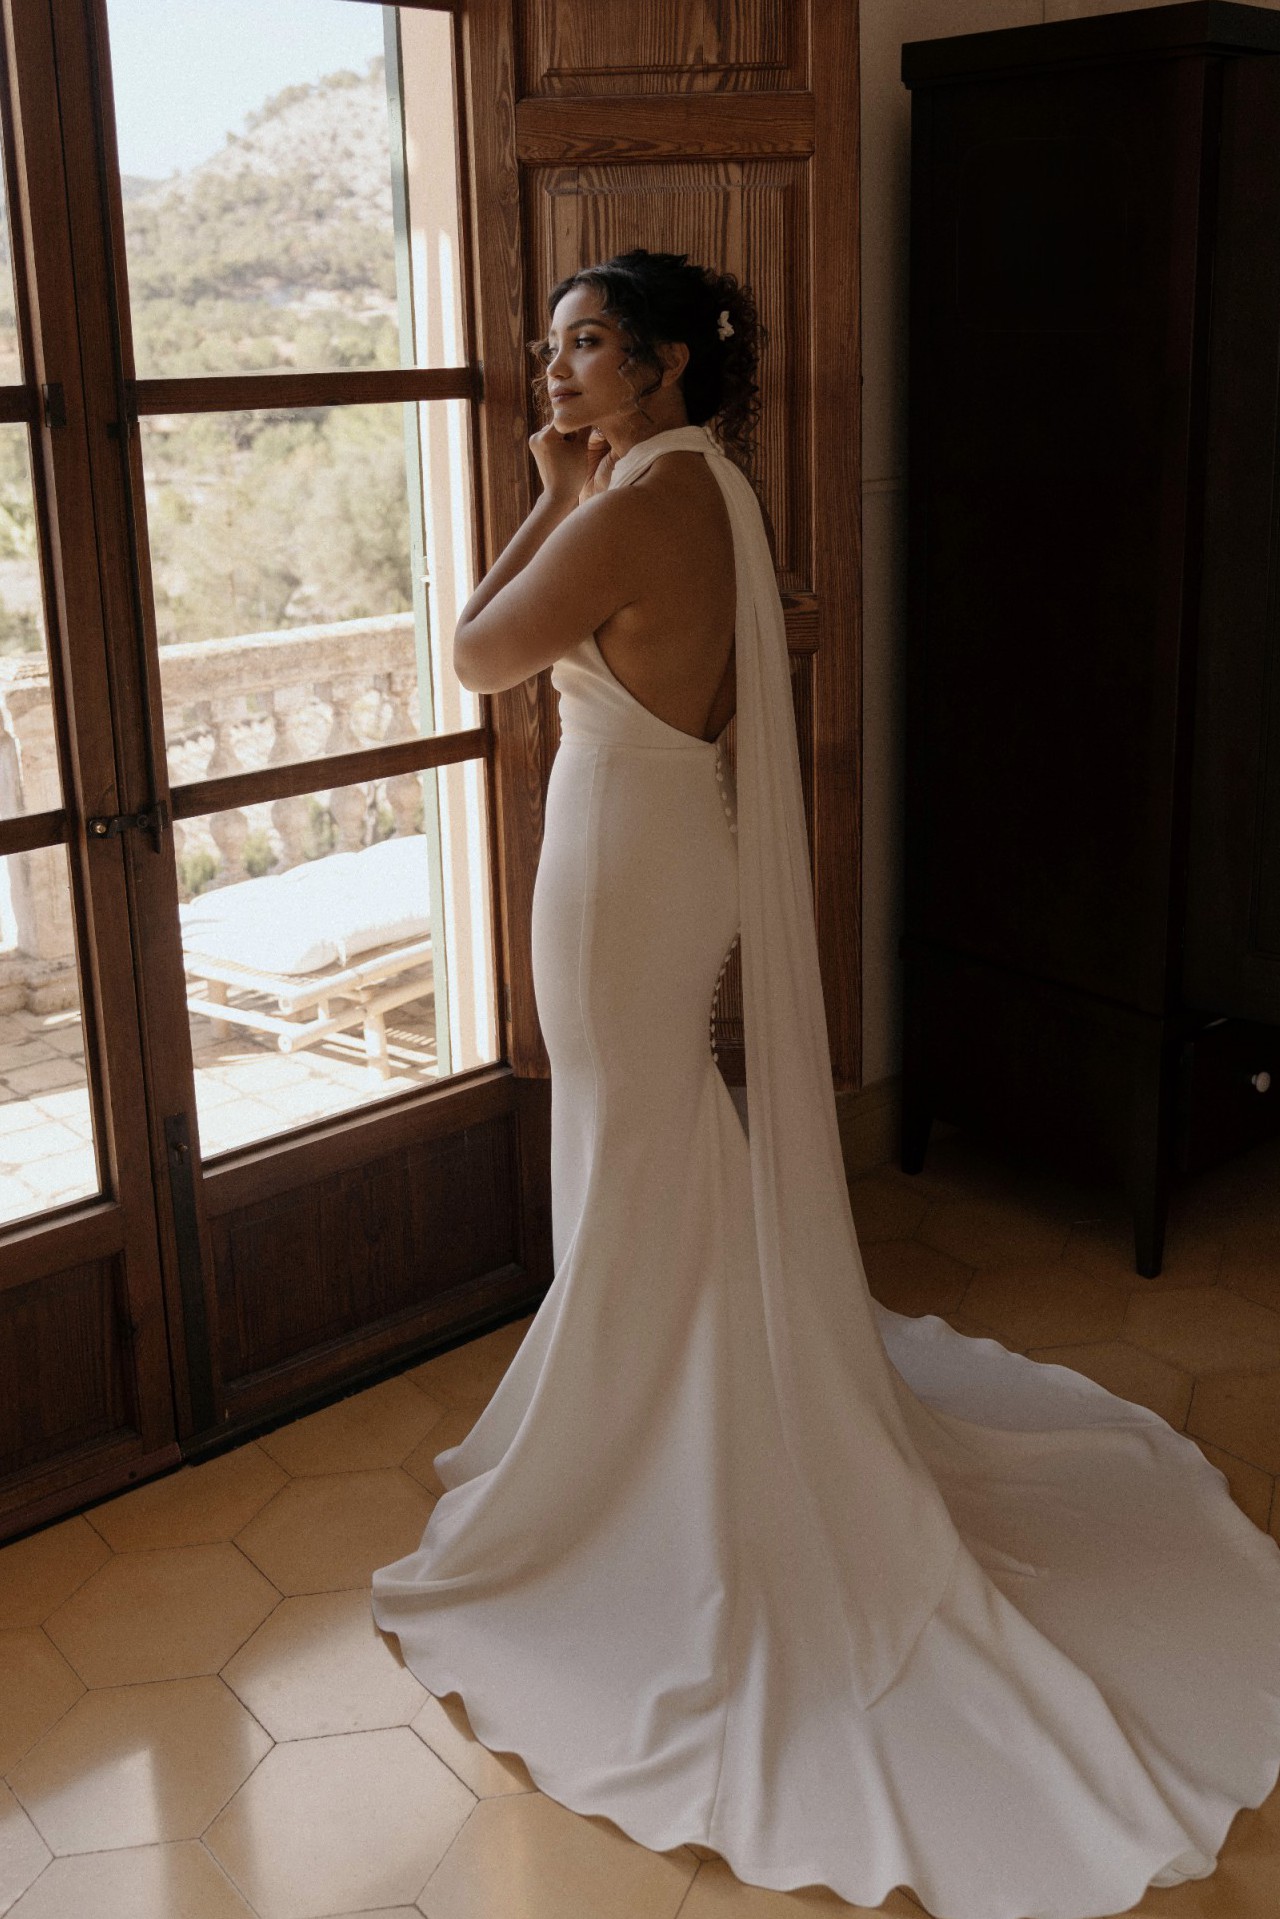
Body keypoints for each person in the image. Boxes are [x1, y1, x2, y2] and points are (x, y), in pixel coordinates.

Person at [372, 248, 1280, 1919]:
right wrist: (572, 483)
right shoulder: (700, 485)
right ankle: (667, 1393)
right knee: (651, 1136)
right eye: (550, 346)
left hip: (624, 865)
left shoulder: (630, 503)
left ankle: (653, 1450)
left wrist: (542, 494)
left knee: (634, 1138)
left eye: (586, 346)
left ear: (664, 368)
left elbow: (479, 656)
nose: (553, 370)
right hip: (664, 848)